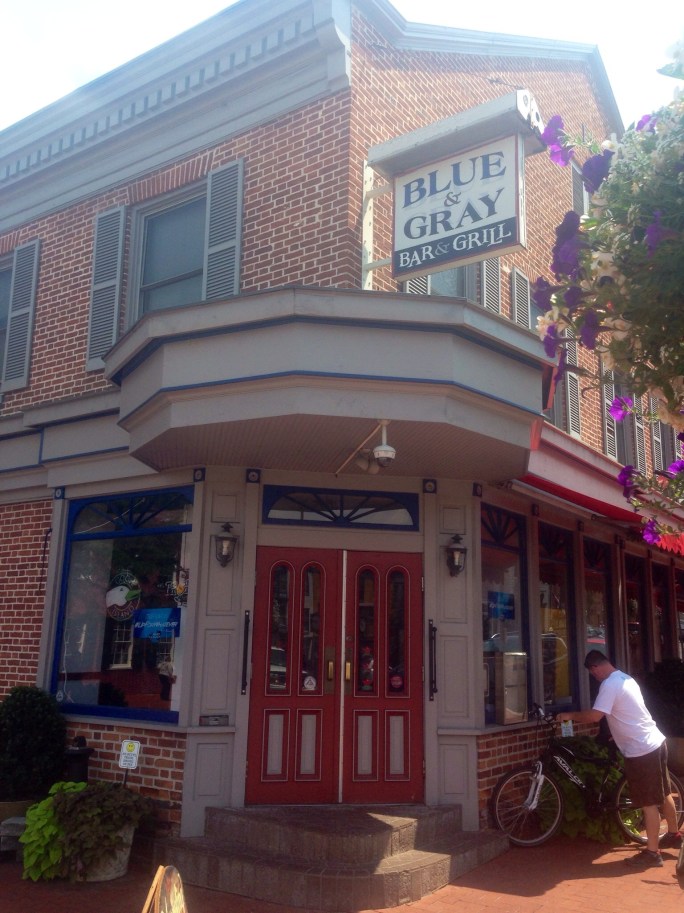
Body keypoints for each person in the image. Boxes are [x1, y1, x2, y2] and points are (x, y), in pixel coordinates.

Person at [557, 649, 681, 869]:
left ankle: (652, 854)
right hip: (654, 741)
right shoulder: (626, 678)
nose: (594, 677)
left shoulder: (609, 685)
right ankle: (674, 834)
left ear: (595, 668)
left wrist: (570, 715)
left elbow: (596, 716)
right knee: (662, 792)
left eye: (592, 673)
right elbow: (629, 711)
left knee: (648, 802)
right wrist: (619, 732)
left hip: (641, 750)